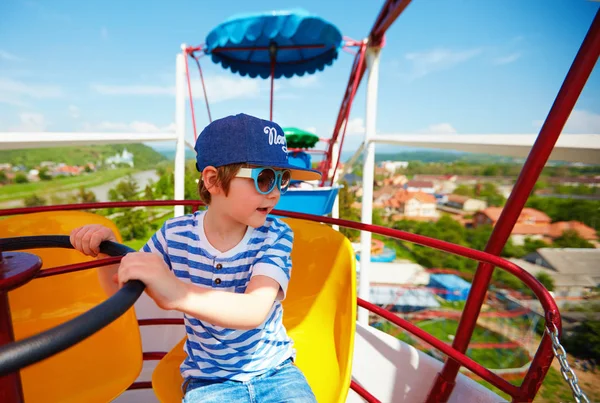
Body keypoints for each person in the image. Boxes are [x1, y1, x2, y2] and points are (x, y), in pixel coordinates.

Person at [70, 113, 321, 402]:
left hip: (275, 372)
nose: (276, 193)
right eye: (264, 178)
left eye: (283, 179)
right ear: (213, 180)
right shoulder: (175, 235)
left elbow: (253, 311)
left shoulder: (275, 235)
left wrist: (177, 293)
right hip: (209, 379)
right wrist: (107, 249)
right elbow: (121, 285)